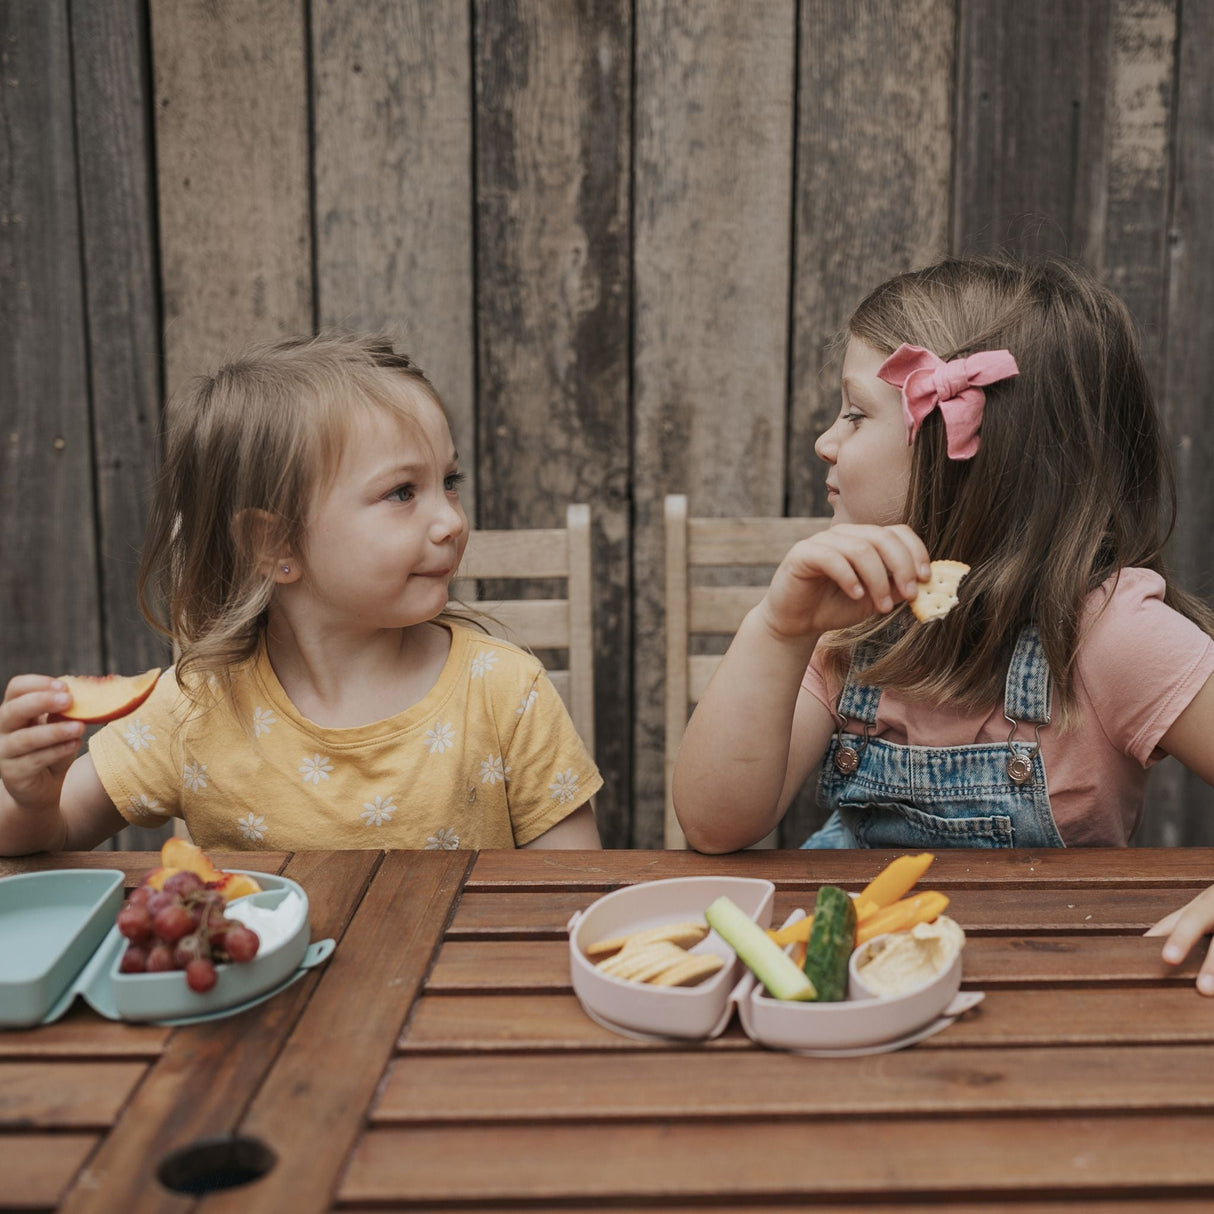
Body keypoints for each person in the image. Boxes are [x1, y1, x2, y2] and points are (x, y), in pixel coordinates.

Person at [671, 254, 1214, 992]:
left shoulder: (1111, 634)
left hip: (1053, 999)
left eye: (856, 413)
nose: (827, 442)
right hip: (853, 988)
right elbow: (715, 825)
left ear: (960, 454)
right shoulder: (854, 621)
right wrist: (778, 630)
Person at [0, 333, 602, 854]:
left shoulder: (504, 692)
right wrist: (30, 800)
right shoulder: (196, 707)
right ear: (274, 544)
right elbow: (53, 835)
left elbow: (571, 892)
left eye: (449, 482)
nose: (450, 521)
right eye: (402, 493)